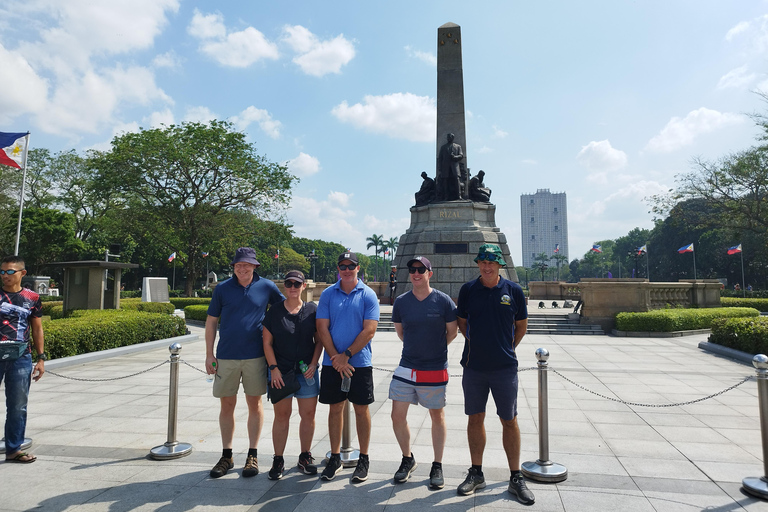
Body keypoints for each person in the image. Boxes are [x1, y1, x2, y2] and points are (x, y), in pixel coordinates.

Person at [455, 243, 535, 505]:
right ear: (478, 264)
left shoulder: (513, 290)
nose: (487, 267)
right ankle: (476, 473)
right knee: (474, 418)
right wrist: (479, 344)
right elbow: (462, 323)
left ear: (500, 264)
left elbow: (520, 326)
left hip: (504, 367)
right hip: (474, 366)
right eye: (483, 262)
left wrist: (504, 347)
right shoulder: (468, 290)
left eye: (492, 262)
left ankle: (515, 476)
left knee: (509, 420)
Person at [205, 247, 284, 479]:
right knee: (226, 406)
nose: (242, 268)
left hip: (256, 355)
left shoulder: (267, 287)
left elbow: (282, 310)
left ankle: (253, 454)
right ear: (234, 266)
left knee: (254, 404)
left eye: (246, 265)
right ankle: (227, 455)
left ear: (254, 266)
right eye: (238, 265)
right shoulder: (222, 289)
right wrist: (209, 354)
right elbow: (211, 322)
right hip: (226, 356)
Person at [390, 256, 457, 488]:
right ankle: (407, 459)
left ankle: (437, 464)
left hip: (434, 367)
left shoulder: (444, 301)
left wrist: (434, 349)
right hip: (407, 365)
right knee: (396, 415)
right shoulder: (401, 302)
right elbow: (401, 333)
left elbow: (452, 332)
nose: (416, 273)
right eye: (412, 270)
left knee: (436, 416)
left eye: (421, 270)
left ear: (430, 273)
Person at [316, 251, 379, 481]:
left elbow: (369, 330)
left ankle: (363, 458)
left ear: (357, 268)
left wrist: (347, 355)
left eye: (350, 266)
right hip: (333, 363)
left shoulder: (368, 294)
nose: (346, 270)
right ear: (338, 269)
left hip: (360, 363)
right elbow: (322, 328)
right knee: (335, 408)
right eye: (342, 266)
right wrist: (336, 358)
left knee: (361, 409)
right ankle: (335, 457)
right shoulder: (327, 294)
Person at [262, 270, 323, 480]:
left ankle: (305, 456)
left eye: (297, 284)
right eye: (289, 284)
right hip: (281, 372)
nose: (293, 288)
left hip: (306, 372)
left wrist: (314, 364)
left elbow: (319, 341)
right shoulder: (275, 311)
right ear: (284, 286)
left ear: (304, 286)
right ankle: (278, 459)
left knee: (308, 416)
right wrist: (273, 368)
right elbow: (266, 343)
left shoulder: (312, 310)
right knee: (281, 416)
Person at [0, 255, 44, 464]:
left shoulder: (32, 298)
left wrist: (41, 358)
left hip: (20, 358)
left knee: (18, 406)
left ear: (22, 273)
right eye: (2, 272)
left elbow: (37, 328)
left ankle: (14, 449)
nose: (5, 276)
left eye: (10, 272)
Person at [436, 133, 463, 201]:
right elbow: (440, 158)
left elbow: (461, 155)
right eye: (448, 137)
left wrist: (455, 157)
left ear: (452, 138)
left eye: (450, 137)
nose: (448, 138)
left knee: (457, 180)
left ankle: (459, 195)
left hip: (455, 166)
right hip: (445, 167)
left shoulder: (458, 146)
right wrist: (440, 168)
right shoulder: (443, 147)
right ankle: (446, 196)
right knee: (445, 181)